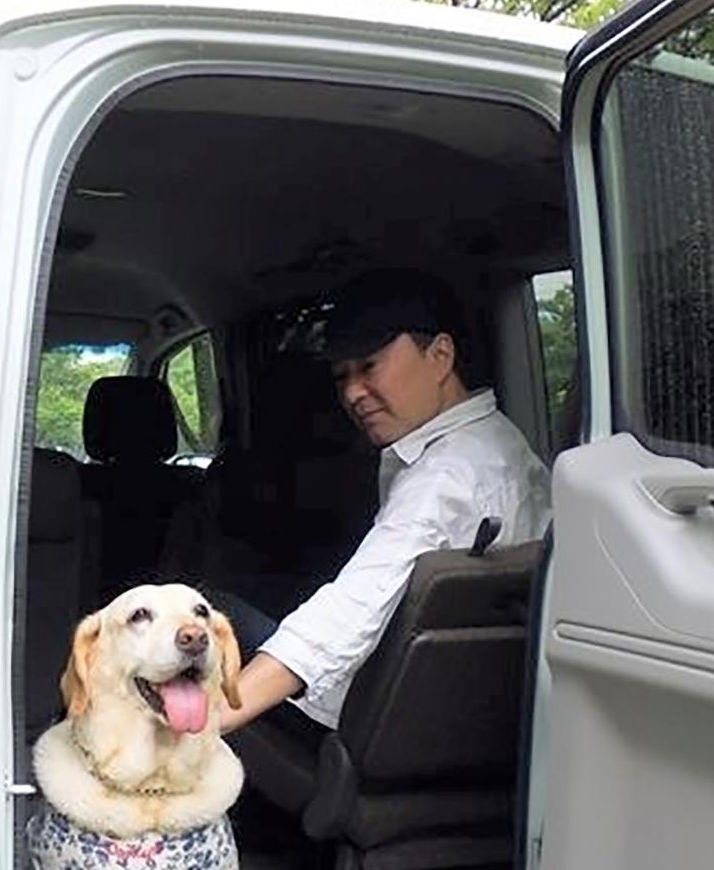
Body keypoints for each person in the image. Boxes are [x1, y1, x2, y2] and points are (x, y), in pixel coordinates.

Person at [218, 268, 552, 736]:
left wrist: (200, 725)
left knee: (211, 608)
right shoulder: (502, 442)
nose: (353, 393)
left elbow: (348, 612)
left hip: (366, 718)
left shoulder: (446, 477)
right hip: (445, 710)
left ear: (439, 356)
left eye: (369, 365)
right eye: (342, 376)